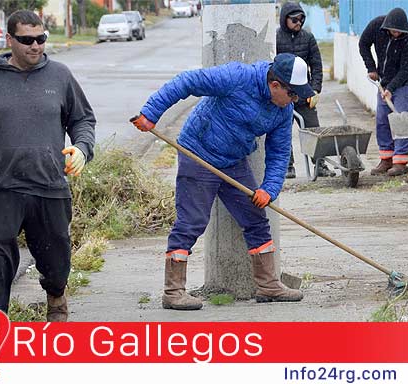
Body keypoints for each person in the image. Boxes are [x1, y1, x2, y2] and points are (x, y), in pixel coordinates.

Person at [130, 53, 310, 310]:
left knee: (257, 219)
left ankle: (268, 285)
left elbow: (280, 152)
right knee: (192, 222)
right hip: (198, 153)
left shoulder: (283, 110)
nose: (294, 100)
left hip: (233, 161)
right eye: (292, 94)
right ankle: (173, 292)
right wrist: (151, 113)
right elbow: (187, 82)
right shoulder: (237, 77)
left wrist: (269, 190)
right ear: (275, 85)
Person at [0, 10, 96, 322]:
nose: (36, 46)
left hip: (49, 184)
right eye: (27, 40)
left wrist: (82, 149)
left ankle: (56, 294)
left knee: (55, 257)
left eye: (41, 39)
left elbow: (82, 120)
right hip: (2, 184)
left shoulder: (60, 76)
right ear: (9, 40)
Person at [359, 7, 408, 177]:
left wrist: (391, 89)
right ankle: (386, 159)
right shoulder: (376, 26)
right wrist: (371, 67)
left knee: (402, 120)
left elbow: (407, 68)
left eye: (399, 32)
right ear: (387, 27)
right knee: (382, 120)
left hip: (406, 83)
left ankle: (400, 162)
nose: (396, 34)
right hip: (384, 80)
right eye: (393, 31)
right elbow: (363, 44)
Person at [276, 2, 332, 178]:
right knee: (282, 133)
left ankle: (320, 165)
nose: (298, 23)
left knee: (313, 130)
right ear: (285, 19)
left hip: (304, 94)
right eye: (294, 19)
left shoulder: (308, 38)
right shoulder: (276, 38)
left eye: (301, 19)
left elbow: (316, 66)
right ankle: (287, 167)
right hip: (282, 95)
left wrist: (315, 90)